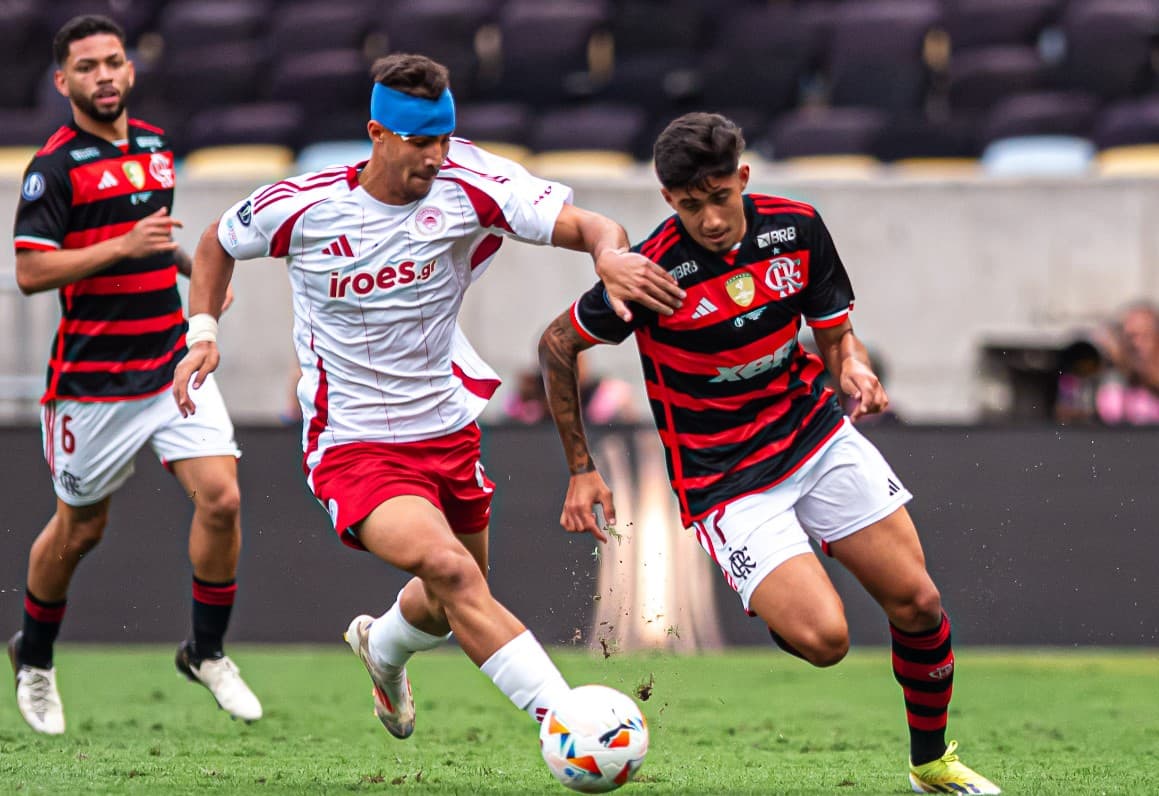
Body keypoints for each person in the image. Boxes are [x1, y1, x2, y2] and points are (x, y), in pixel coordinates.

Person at [171, 53, 683, 739]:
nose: (435, 157)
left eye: (443, 139)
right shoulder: (305, 207)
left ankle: (380, 650)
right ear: (377, 134)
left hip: (446, 430)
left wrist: (609, 256)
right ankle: (570, 723)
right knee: (450, 570)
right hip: (351, 442)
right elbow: (215, 240)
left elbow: (590, 226)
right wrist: (202, 331)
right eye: (419, 143)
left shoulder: (471, 182)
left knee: (447, 601)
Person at [537, 112, 1000, 794]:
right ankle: (776, 582)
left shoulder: (796, 229)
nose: (712, 219)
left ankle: (929, 764)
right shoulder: (652, 271)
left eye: (721, 197)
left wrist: (853, 369)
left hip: (812, 432)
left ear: (743, 179)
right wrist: (580, 468)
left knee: (918, 602)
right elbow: (555, 345)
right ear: (669, 200)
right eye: (692, 206)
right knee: (823, 643)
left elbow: (838, 335)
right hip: (725, 479)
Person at [8, 15, 261, 735]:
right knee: (79, 530)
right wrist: (121, 245)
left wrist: (186, 266)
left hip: (170, 363)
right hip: (92, 383)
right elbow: (30, 271)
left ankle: (206, 652)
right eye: (87, 67)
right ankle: (35, 656)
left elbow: (153, 231)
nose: (105, 76)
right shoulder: (52, 166)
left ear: (130, 68)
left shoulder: (155, 146)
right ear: (63, 82)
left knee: (221, 499)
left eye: (113, 62)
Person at [1092, 301, 1159, 425]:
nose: (1136, 344)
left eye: (1145, 336)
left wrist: (1124, 362)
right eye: (1130, 337)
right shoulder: (1115, 377)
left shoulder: (1127, 365)